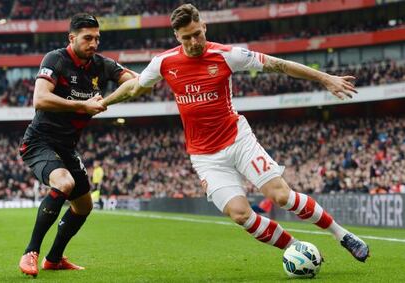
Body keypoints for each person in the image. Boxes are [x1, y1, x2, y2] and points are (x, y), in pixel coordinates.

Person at [101, 4, 369, 263]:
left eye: (198, 34)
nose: (194, 41)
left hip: (238, 140)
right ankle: (296, 248)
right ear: (176, 36)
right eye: (187, 38)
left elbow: (280, 65)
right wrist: (102, 103)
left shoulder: (228, 55)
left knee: (281, 196)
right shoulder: (163, 63)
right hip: (205, 156)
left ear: (204, 26)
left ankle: (343, 235)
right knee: (241, 215)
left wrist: (325, 78)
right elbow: (134, 88)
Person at [18, 13, 137, 277]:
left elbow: (134, 82)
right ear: (72, 38)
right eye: (87, 38)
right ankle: (30, 252)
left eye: (97, 38)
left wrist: (115, 96)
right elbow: (40, 99)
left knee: (84, 206)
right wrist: (82, 105)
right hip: (40, 141)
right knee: (64, 183)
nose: (94, 43)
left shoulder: (101, 65)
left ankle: (54, 258)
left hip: (67, 147)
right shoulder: (55, 59)